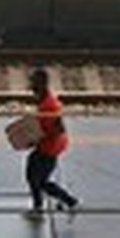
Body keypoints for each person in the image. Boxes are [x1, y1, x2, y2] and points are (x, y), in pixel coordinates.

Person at [24, 67, 79, 220]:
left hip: (49, 148)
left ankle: (62, 202)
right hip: (48, 146)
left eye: (34, 82)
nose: (31, 86)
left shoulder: (50, 105)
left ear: (41, 83)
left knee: (37, 179)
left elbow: (57, 128)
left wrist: (34, 138)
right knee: (35, 176)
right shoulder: (44, 99)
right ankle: (60, 201)